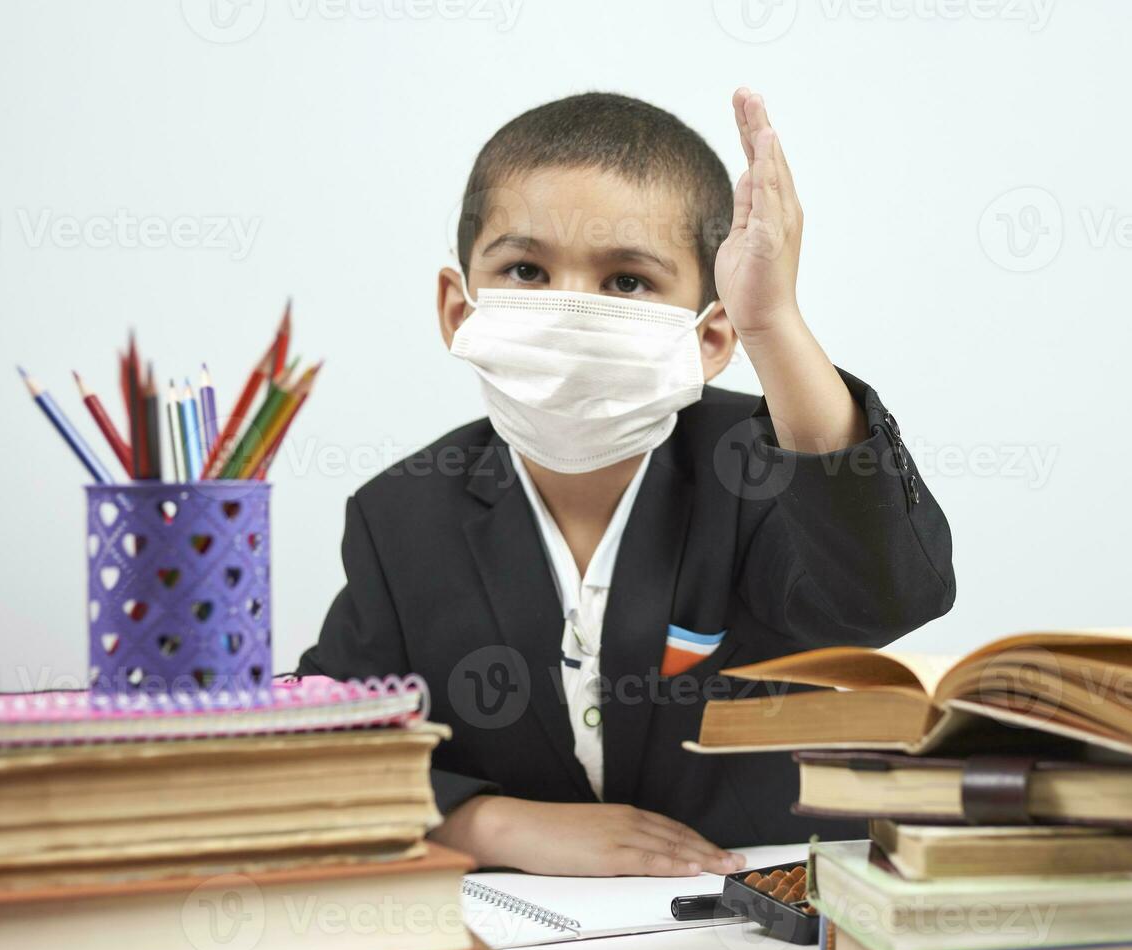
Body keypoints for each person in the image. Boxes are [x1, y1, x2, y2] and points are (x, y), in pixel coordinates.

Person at [300, 88, 954, 876]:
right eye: (527, 268)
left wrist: (774, 325)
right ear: (456, 308)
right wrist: (489, 825)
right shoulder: (400, 516)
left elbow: (887, 597)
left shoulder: (757, 471)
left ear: (711, 334)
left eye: (626, 282)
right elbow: (323, 751)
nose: (571, 309)